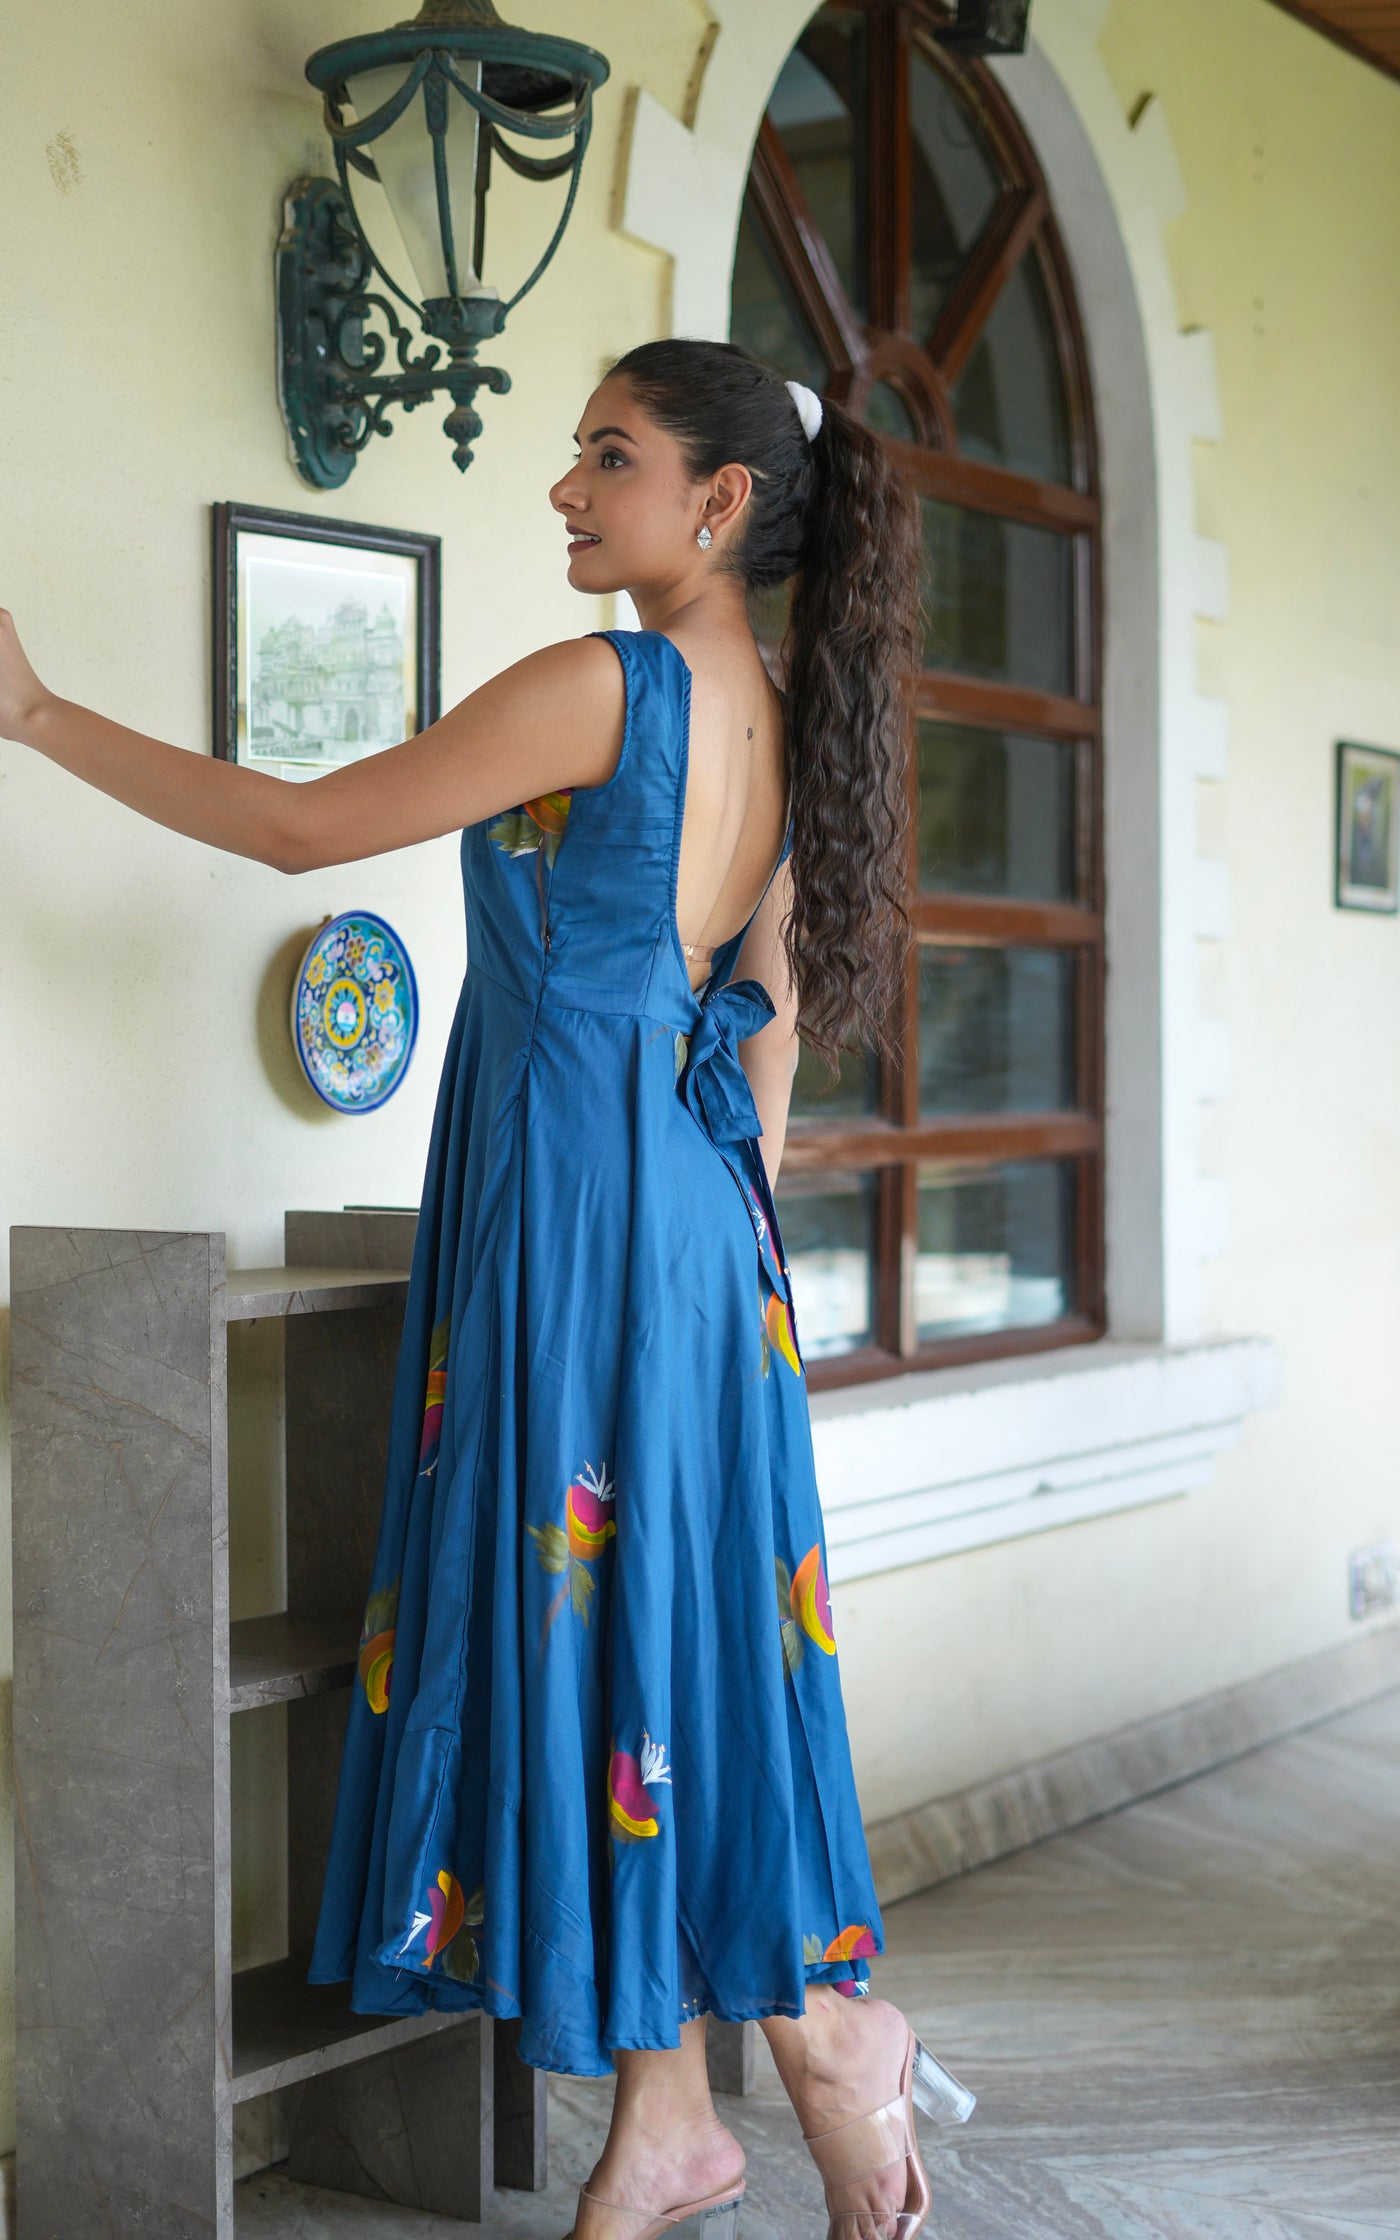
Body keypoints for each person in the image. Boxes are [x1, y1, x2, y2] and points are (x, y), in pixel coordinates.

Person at [0, 337, 970, 2240]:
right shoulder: (782, 714)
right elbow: (762, 1024)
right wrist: (705, 1224)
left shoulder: (605, 687)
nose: (562, 488)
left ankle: (800, 2051)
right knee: (676, 1638)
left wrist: (38, 717)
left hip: (578, 1221)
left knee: (587, 1640)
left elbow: (297, 829)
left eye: (604, 455)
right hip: (700, 1237)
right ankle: (703, 2096)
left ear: (719, 499)